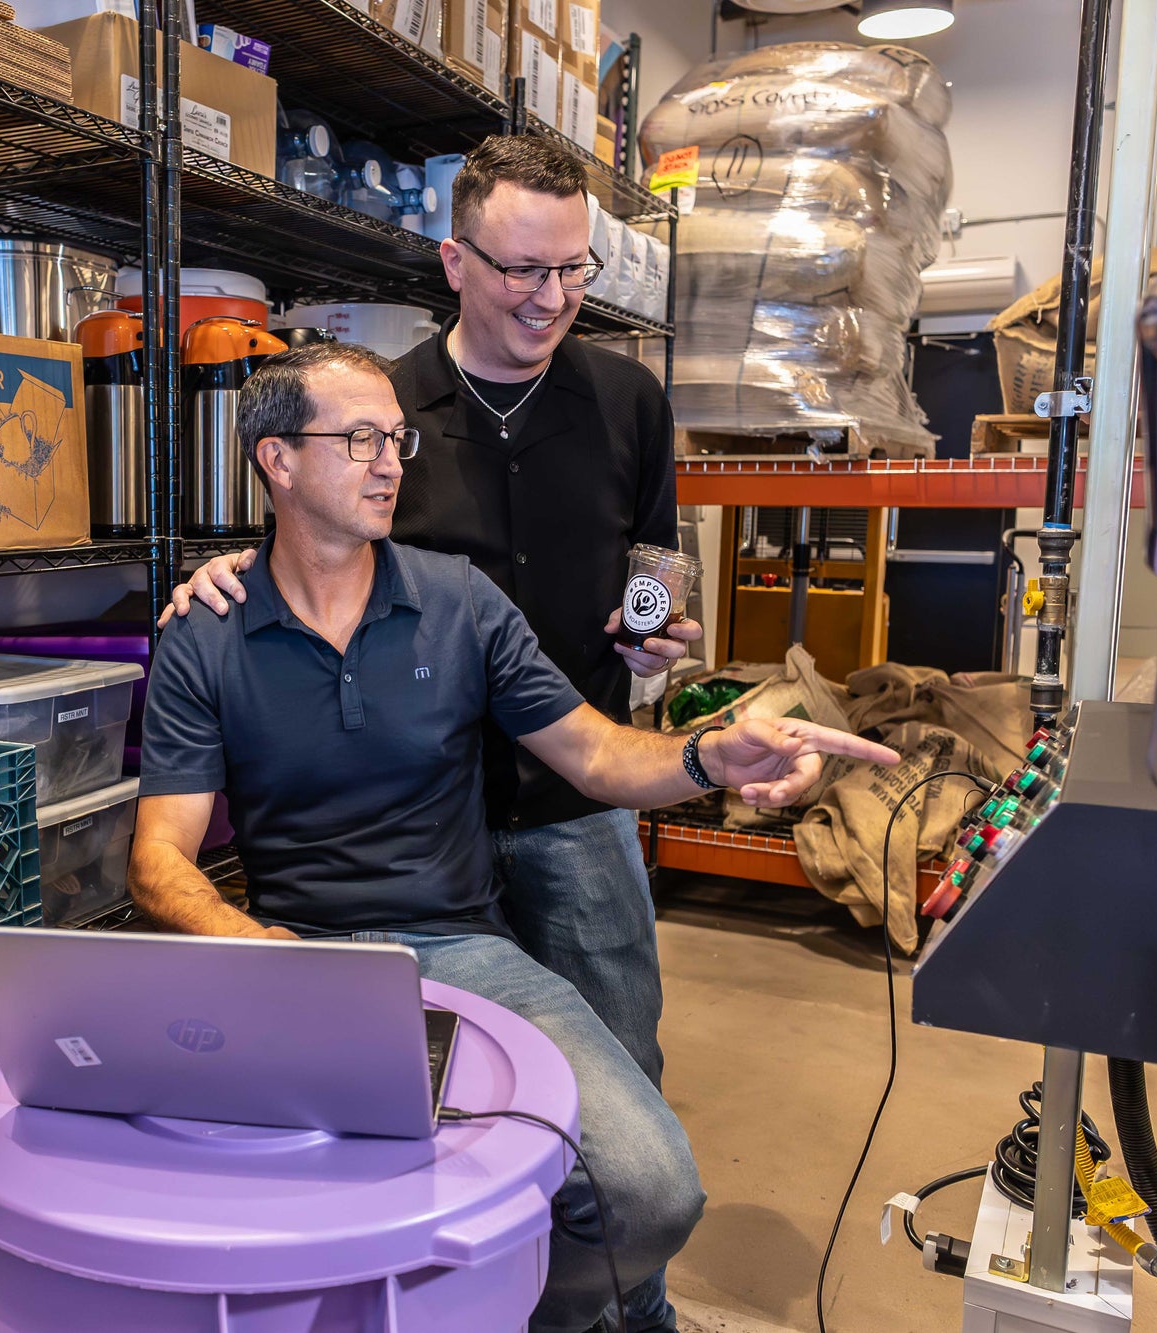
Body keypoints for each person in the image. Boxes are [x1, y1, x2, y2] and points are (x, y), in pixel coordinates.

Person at [131, 343, 897, 1333]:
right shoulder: (206, 633)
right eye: (359, 439)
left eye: (396, 439)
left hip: (462, 951)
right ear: (276, 459)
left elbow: (596, 753)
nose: (390, 463)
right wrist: (256, 949)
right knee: (250, 1215)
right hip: (298, 957)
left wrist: (710, 754)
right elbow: (158, 858)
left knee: (649, 1192)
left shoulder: (457, 601)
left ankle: (508, 1313)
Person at [162, 135, 687, 1137]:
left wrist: (660, 636)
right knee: (455, 1101)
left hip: (576, 793)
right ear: (455, 262)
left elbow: (658, 564)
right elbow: (315, 539)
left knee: (618, 1078)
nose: (550, 297)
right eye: (521, 270)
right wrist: (227, 569)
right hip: (424, 811)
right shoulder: (381, 410)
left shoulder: (629, 403)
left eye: (571, 268)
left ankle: (605, 1249)